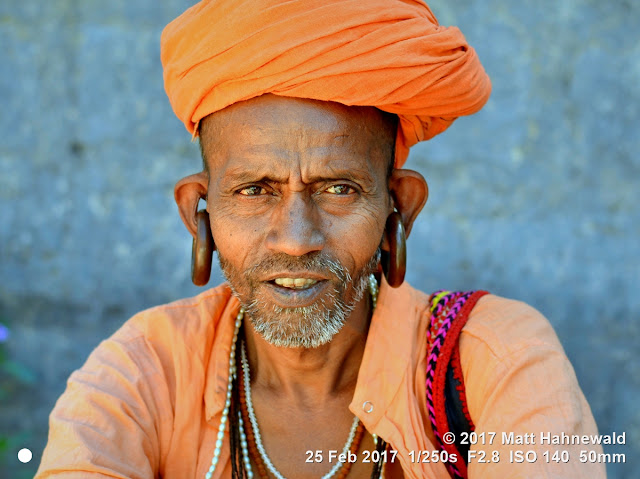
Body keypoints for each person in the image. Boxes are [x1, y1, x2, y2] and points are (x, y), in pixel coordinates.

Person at [36, 1, 605, 478]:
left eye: (337, 188)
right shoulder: (142, 371)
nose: (295, 240)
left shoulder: (495, 358)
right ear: (198, 212)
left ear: (397, 209)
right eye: (255, 191)